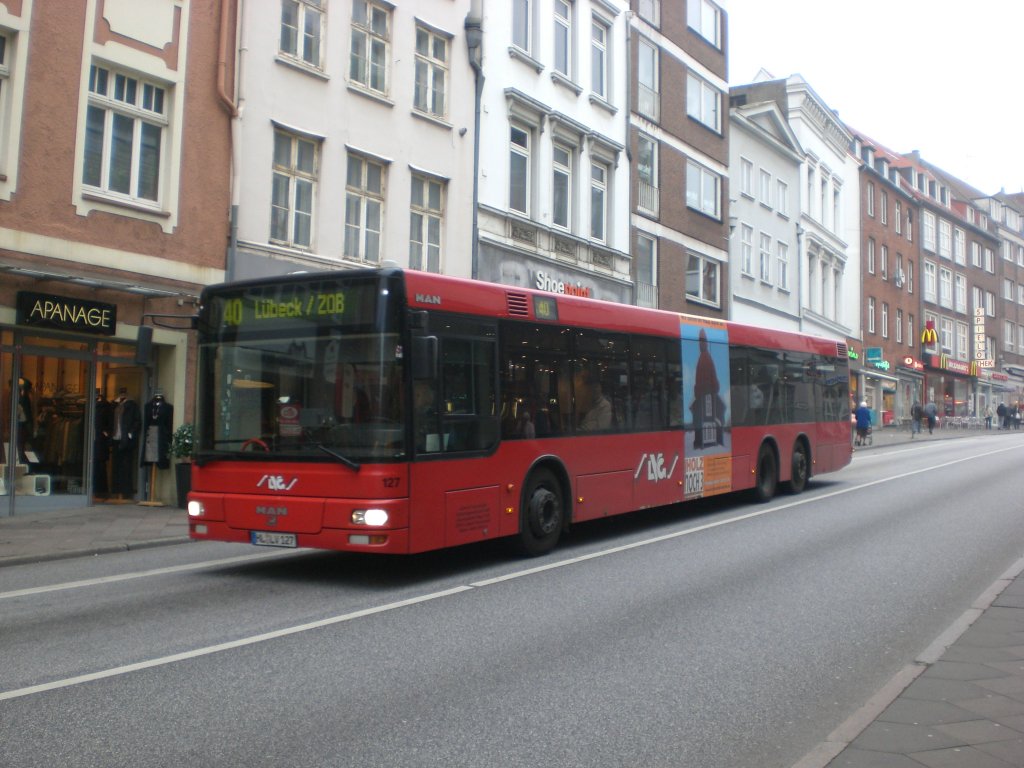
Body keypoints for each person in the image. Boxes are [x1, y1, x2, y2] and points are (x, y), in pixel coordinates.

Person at [111, 387, 141, 498]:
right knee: (116, 466)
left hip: (126, 440)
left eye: (124, 393)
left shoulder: (132, 406)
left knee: (126, 466)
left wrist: (130, 433)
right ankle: (116, 491)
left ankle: (126, 491)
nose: (122, 395)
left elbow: (137, 421)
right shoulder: (114, 405)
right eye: (121, 393)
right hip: (116, 438)